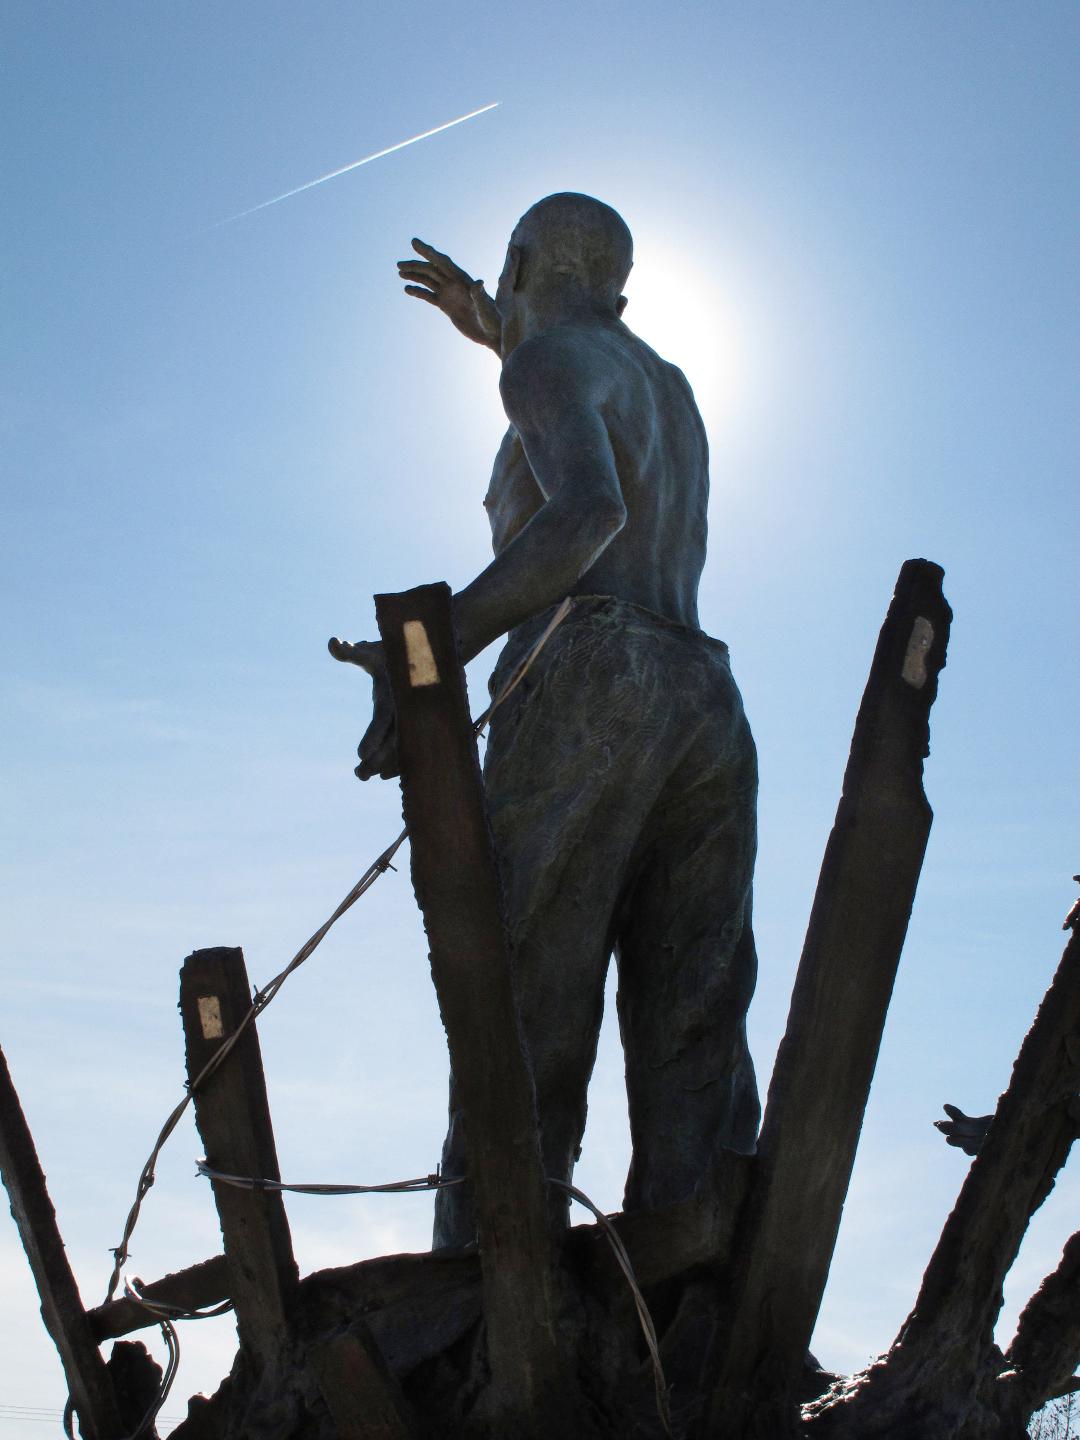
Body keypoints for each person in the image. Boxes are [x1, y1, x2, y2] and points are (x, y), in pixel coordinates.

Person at [330, 194, 760, 1248]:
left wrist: (429, 655)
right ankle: (699, 1298)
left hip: (588, 680)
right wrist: (490, 323)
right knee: (696, 1029)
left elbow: (588, 511)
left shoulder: (544, 365)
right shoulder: (666, 385)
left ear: (520, 262)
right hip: (704, 694)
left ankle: (493, 1297)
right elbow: (569, 366)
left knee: (524, 1018)